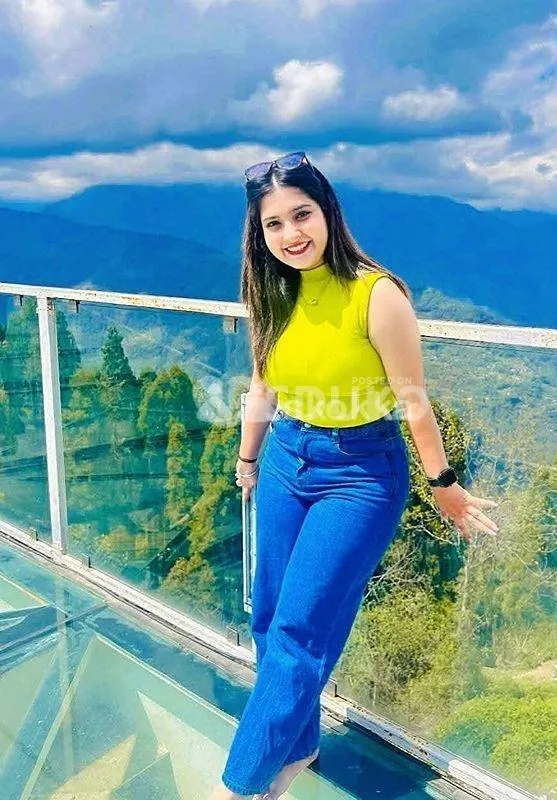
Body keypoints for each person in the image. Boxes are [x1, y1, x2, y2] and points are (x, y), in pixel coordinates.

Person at [209, 151, 500, 800]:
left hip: (360, 473)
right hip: (286, 457)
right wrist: (248, 459)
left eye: (301, 215)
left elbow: (413, 400)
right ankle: (299, 745)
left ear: (327, 212)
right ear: (259, 234)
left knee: (297, 633)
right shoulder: (273, 292)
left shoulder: (376, 294)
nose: (291, 234)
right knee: (269, 620)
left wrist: (444, 485)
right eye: (274, 224)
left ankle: (238, 787)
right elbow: (262, 385)